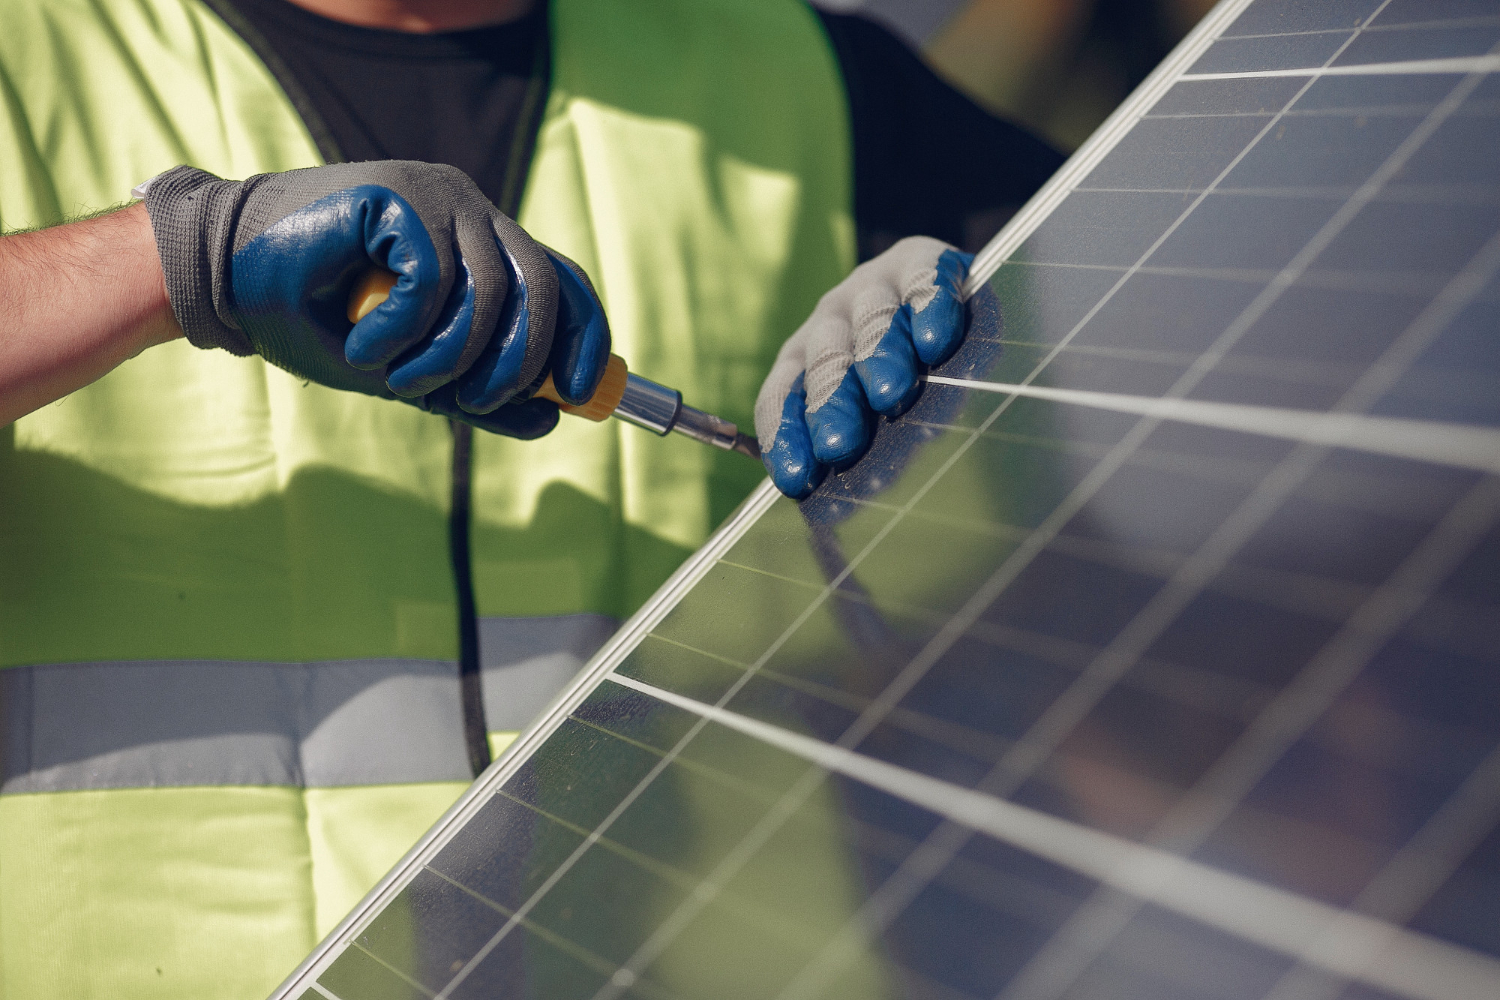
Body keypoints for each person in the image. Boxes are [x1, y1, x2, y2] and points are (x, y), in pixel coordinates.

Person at [0, 0, 1062, 995]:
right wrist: (171, 257)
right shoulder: (32, 56)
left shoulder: (806, 76)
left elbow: (1162, 356)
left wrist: (994, 306)